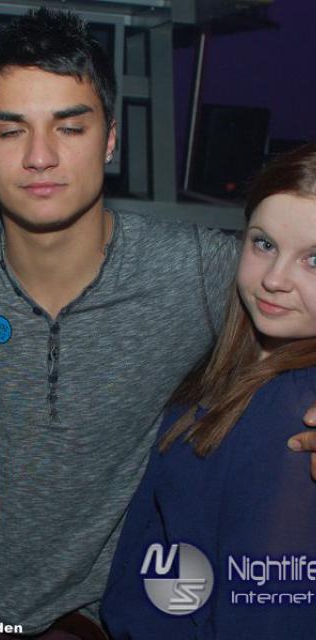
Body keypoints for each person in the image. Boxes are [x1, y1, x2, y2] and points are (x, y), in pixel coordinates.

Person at [0, 8, 316, 638]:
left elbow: (297, 289)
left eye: (70, 127)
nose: (40, 156)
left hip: (98, 618)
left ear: (110, 139)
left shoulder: (196, 269)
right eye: (10, 131)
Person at [100, 143, 316, 638]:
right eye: (264, 244)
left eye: (315, 260)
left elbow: (269, 616)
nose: (275, 279)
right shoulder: (237, 358)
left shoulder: (295, 416)